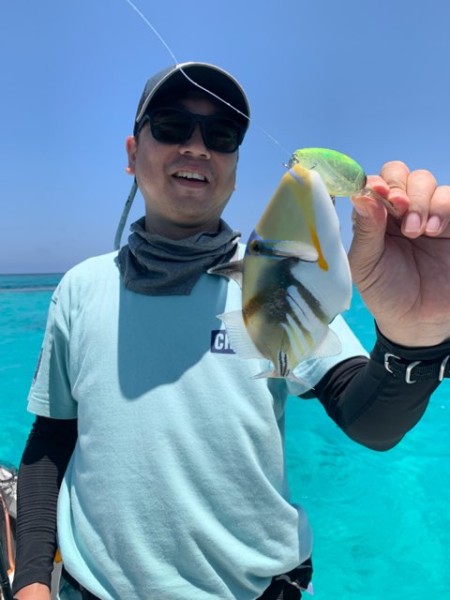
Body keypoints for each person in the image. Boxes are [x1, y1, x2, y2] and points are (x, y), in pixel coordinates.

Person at [11, 61, 450, 600]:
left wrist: (415, 339)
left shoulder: (276, 280)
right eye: (172, 126)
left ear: (235, 168)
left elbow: (372, 422)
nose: (197, 147)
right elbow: (52, 437)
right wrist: (31, 580)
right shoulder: (80, 287)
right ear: (132, 153)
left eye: (221, 135)